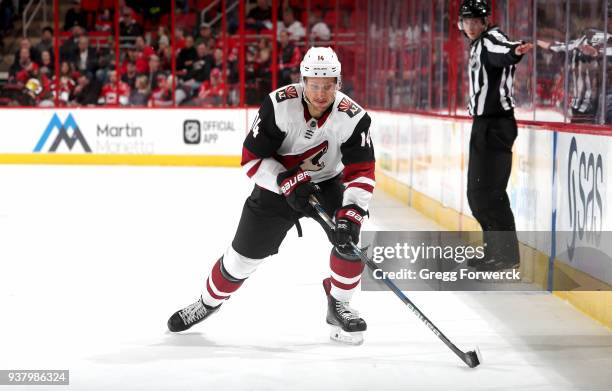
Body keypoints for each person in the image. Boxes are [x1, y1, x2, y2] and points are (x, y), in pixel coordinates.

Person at [168, 47, 375, 345]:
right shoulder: (278, 105)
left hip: (327, 184)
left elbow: (362, 171)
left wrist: (351, 213)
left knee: (350, 241)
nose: (320, 92)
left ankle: (338, 304)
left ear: (338, 83)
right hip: (277, 188)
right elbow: (251, 159)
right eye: (314, 85)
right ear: (303, 81)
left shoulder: (353, 117)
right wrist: (286, 181)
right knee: (240, 260)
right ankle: (207, 302)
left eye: (328, 84)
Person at [458, 0, 533, 272]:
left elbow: (504, 50)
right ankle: (495, 251)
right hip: (484, 125)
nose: (471, 26)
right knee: (478, 194)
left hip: (496, 125)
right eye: (467, 21)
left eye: (476, 21)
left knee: (489, 192)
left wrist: (516, 50)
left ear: (485, 21)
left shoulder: (491, 38)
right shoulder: (476, 44)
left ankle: (505, 255)